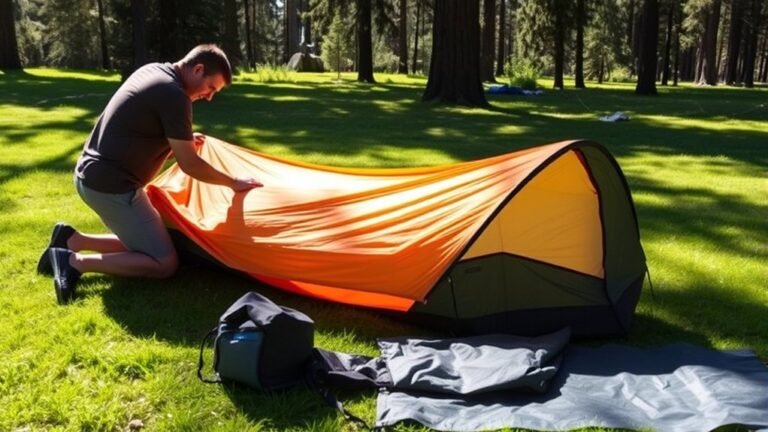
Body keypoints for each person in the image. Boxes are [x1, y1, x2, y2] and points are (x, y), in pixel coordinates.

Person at [37, 44, 262, 305]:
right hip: (112, 186)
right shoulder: (174, 95)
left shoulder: (154, 71)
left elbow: (138, 133)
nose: (209, 97)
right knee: (164, 262)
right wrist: (233, 182)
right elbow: (190, 165)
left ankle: (72, 239)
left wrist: (182, 140)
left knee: (160, 240)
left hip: (93, 175)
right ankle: (75, 262)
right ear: (198, 69)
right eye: (211, 88)